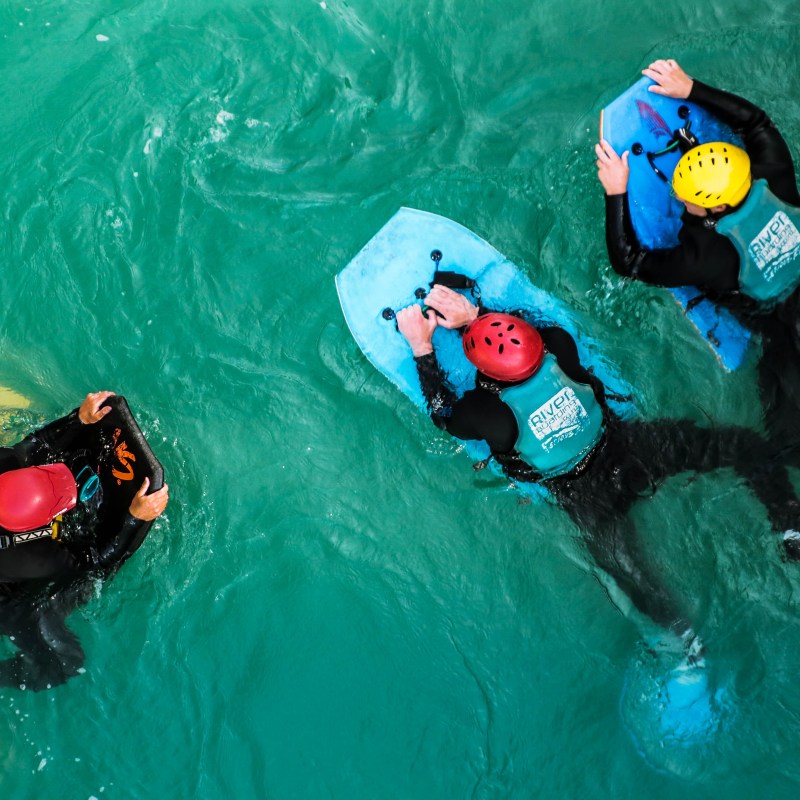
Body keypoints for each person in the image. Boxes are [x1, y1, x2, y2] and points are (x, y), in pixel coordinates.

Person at [396, 284, 800, 645]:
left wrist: (422, 347)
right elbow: (532, 321)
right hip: (627, 446)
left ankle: (686, 641)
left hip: (581, 494)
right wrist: (477, 316)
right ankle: (790, 525)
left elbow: (441, 411)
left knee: (631, 575)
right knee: (743, 446)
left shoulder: (484, 413)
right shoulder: (557, 342)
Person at [595, 59, 800, 440]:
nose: (676, 196)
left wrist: (616, 192)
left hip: (777, 323)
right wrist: (690, 88)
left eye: (686, 198)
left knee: (783, 421)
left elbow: (630, 261)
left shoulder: (707, 257)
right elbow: (756, 122)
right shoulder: (774, 173)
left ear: (715, 210)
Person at [0, 391, 168, 690]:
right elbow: (95, 563)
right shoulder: (36, 555)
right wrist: (134, 518)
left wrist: (79, 419)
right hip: (8, 601)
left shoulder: (3, 466)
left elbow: (32, 448)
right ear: (38, 526)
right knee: (63, 664)